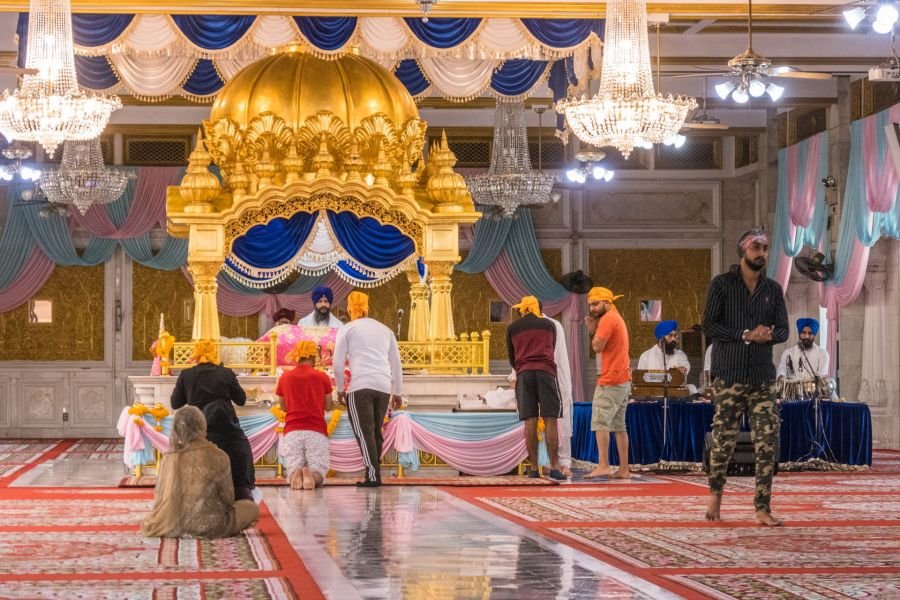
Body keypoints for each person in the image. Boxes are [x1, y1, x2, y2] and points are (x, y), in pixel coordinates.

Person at [702, 228, 788, 527]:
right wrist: (744, 335)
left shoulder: (773, 289)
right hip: (729, 375)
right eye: (756, 247)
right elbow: (709, 326)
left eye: (765, 247)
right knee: (724, 438)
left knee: (766, 439)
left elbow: (784, 330)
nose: (761, 253)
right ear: (743, 251)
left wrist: (769, 334)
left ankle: (762, 507)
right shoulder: (722, 285)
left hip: (762, 377)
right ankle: (715, 493)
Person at [142, 406, 259, 539]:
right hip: (210, 525)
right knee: (251, 508)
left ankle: (181, 525)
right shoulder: (218, 455)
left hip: (171, 521)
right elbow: (228, 499)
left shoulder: (169, 457)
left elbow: (159, 496)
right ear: (202, 425)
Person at [170, 340, 256, 501]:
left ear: (195, 354)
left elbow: (175, 403)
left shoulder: (187, 375)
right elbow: (241, 400)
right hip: (227, 430)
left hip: (197, 432)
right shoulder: (226, 373)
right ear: (215, 354)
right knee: (241, 451)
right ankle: (242, 490)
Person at [333, 291, 403, 487]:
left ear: (348, 308)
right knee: (375, 432)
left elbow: (338, 364)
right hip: (383, 386)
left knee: (364, 432)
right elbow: (396, 364)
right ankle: (373, 473)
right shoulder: (385, 330)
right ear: (368, 307)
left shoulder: (347, 329)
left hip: (360, 387)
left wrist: (340, 389)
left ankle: (373, 475)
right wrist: (397, 391)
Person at [506, 295, 565, 481]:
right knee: (550, 419)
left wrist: (523, 368)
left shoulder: (513, 328)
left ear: (523, 309)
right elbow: (552, 347)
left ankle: (533, 468)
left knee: (530, 420)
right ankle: (554, 467)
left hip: (524, 375)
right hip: (546, 372)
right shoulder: (549, 326)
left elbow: (511, 356)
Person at [583, 287, 632, 479]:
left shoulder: (608, 319)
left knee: (600, 422)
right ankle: (624, 469)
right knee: (619, 426)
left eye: (596, 304)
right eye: (590, 305)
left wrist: (592, 330)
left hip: (611, 379)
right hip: (623, 378)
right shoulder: (616, 317)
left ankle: (603, 464)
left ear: (607, 302)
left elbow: (597, 347)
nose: (592, 309)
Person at [275, 340, 334, 490]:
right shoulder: (322, 377)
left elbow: (283, 407)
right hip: (316, 430)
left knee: (293, 470)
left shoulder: (285, 377)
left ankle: (297, 474)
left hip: (292, 430)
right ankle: (310, 475)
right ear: (313, 357)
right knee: (319, 472)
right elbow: (328, 406)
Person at [543, 305, 574, 478]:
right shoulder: (526, 326)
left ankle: (565, 462)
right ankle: (545, 462)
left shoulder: (554, 325)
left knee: (561, 421)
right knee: (541, 422)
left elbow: (558, 355)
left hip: (556, 378)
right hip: (538, 379)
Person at [776, 318, 830, 392]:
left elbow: (821, 376)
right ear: (799, 333)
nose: (807, 336)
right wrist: (781, 376)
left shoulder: (822, 354)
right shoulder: (788, 353)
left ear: (814, 335)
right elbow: (782, 369)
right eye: (804, 333)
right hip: (793, 393)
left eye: (810, 333)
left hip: (814, 393)